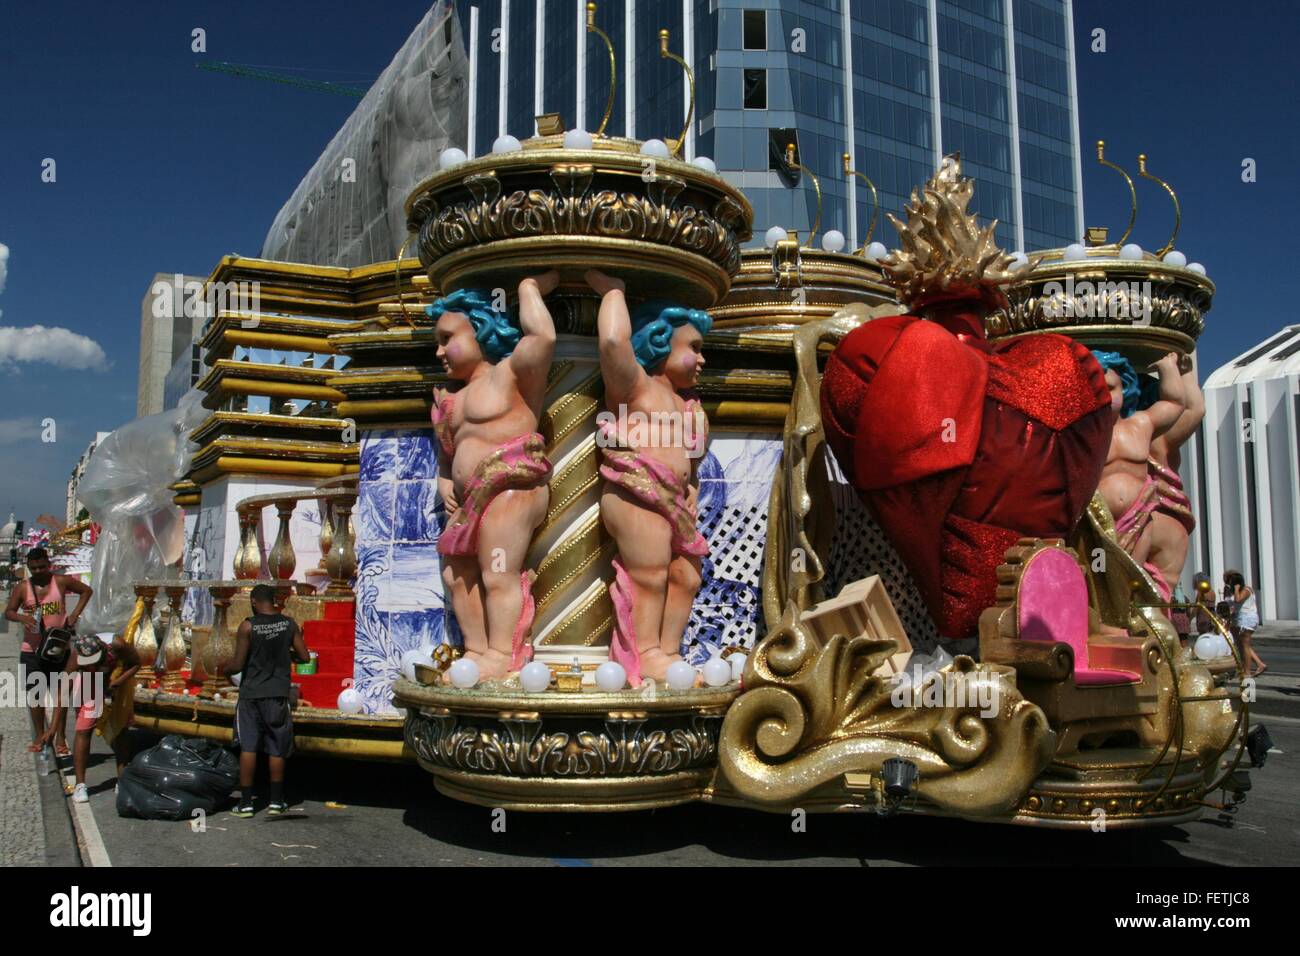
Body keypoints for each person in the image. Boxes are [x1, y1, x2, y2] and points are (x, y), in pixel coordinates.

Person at [587, 269, 711, 685]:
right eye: (694, 346)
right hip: (637, 493)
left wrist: (691, 486)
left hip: (674, 501)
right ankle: (645, 653)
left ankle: (667, 650)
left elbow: (690, 458)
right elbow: (611, 342)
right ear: (660, 340)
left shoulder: (686, 404)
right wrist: (614, 293)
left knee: (686, 576)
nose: (702, 357)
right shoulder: (635, 386)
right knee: (651, 574)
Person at [430, 276, 558, 679]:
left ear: (481, 327)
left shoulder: (511, 374)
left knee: (498, 570)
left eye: (447, 337)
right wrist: (445, 480)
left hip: (510, 487)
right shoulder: (453, 399)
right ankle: (478, 650)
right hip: (469, 502)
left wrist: (527, 287)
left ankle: (504, 655)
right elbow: (448, 455)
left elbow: (543, 337)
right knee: (457, 572)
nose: (439, 351)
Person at [1092, 351, 1186, 598]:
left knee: (1134, 576)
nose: (1103, 396)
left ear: (1125, 389)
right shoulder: (1083, 434)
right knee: (1101, 578)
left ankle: (1135, 619)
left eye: (1110, 388)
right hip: (1098, 525)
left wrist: (1168, 368)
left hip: (1140, 516)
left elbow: (1175, 404)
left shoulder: (1141, 424)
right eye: (1093, 389)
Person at [222, 584, 309, 817]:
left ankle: (247, 803)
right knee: (277, 748)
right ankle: (276, 801)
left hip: (251, 695)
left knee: (248, 747)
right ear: (274, 601)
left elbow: (238, 665)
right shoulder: (289, 624)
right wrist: (283, 655)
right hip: (278, 694)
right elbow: (304, 656)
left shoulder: (248, 626)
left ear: (253, 601)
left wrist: (224, 670)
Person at [4, 547, 93, 755]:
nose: (38, 571)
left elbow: (86, 591)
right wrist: (21, 617)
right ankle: (39, 736)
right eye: (34, 568)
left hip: (57, 649)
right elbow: (8, 611)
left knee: (59, 695)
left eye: (42, 567)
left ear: (49, 564)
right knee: (36, 696)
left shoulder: (60, 582)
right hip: (31, 650)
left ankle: (60, 738)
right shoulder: (22, 587)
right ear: (28, 567)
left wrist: (73, 616)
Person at [45, 633, 140, 803]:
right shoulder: (76, 657)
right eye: (86, 664)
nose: (90, 666)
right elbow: (63, 693)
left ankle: (123, 780)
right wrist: (53, 729)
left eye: (93, 663)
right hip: (90, 685)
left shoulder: (117, 645)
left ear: (103, 651)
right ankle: (80, 785)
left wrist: (119, 681)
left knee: (119, 731)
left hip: (117, 680)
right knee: (83, 729)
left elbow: (136, 663)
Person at [1224, 570, 1266, 676]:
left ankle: (1247, 671)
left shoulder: (1246, 590)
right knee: (1240, 644)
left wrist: (1237, 589)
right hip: (1239, 617)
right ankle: (1257, 664)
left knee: (1245, 645)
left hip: (1246, 619)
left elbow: (1238, 600)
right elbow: (1235, 606)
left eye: (1231, 583)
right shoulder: (1236, 591)